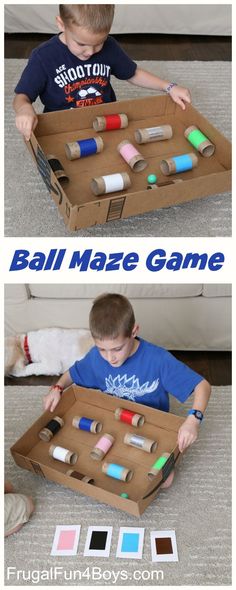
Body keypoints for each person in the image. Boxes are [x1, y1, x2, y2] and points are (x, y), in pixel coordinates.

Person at [44, 293, 211, 486]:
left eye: (117, 349)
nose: (110, 358)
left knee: (164, 480)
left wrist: (193, 419)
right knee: (84, 455)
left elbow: (202, 386)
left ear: (134, 331)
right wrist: (57, 387)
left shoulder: (158, 360)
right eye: (102, 349)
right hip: (112, 422)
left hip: (151, 425)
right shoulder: (96, 358)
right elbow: (73, 374)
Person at [13, 4, 191, 141]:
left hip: (106, 121)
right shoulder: (43, 57)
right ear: (61, 24)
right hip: (63, 127)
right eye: (81, 44)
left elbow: (133, 73)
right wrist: (24, 109)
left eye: (99, 43)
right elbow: (22, 96)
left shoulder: (110, 47)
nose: (90, 52)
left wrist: (168, 87)